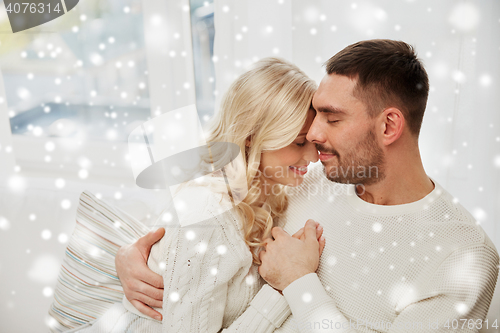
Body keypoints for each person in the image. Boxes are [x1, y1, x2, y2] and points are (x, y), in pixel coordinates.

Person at [119, 39, 499, 332]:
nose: (314, 136)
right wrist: (130, 258)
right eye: (312, 120)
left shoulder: (459, 256)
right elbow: (202, 231)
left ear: (388, 126)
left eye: (331, 120)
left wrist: (298, 283)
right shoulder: (310, 182)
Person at [76, 57, 326, 333]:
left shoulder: (268, 191)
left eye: (314, 142)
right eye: (299, 142)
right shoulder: (208, 214)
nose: (313, 156)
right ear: (252, 137)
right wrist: (283, 290)